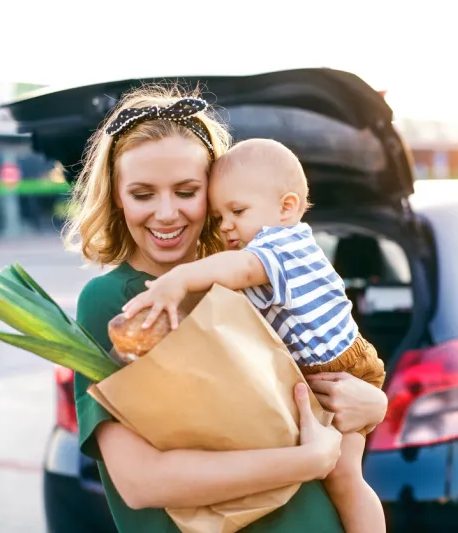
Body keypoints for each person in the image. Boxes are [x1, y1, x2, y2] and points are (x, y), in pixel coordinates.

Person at [64, 85, 388, 533]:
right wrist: (306, 460)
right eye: (142, 194)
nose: (166, 213)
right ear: (117, 198)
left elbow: (310, 384)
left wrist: (374, 404)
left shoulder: (242, 283)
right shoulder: (114, 303)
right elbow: (140, 482)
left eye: (186, 190)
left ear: (214, 194)